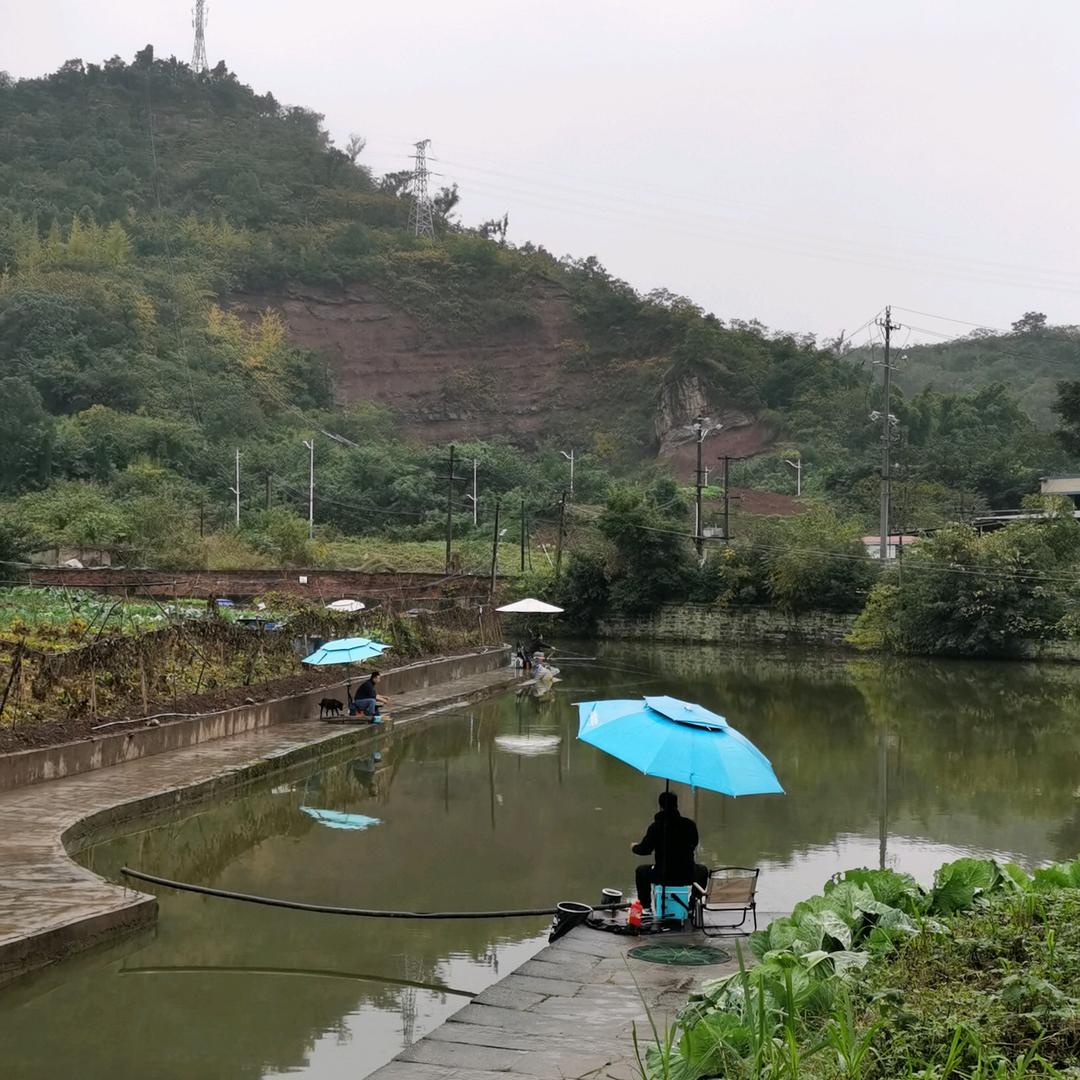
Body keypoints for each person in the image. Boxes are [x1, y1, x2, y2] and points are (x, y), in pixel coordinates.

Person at [632, 791, 708, 909]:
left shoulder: (656, 827)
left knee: (640, 871)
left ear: (660, 806)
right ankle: (693, 903)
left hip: (663, 874)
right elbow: (695, 844)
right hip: (687, 874)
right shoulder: (689, 825)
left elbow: (645, 850)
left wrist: (634, 847)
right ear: (676, 805)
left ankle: (645, 907)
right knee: (703, 870)